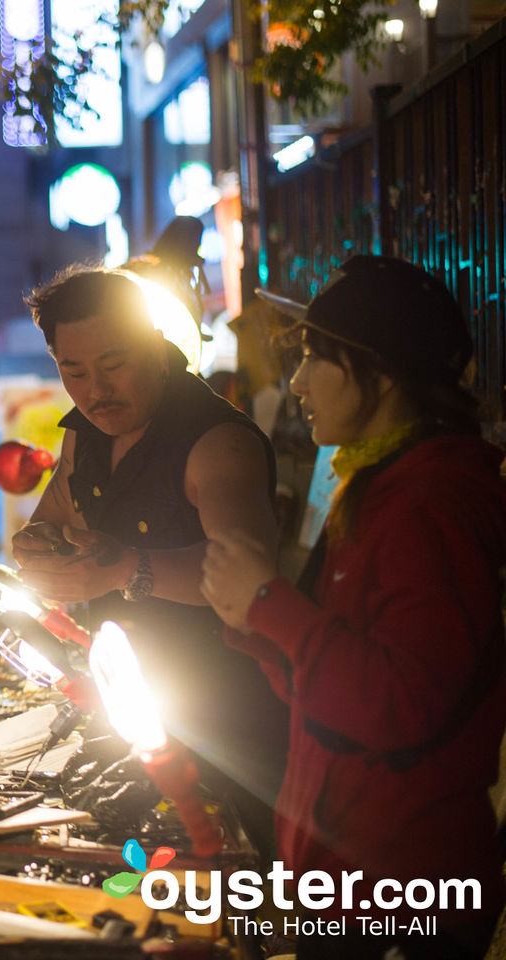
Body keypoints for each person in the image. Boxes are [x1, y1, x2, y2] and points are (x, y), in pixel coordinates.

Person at [201, 257, 506, 959]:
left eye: (315, 359)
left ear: (383, 371)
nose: (298, 383)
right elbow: (331, 698)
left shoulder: (430, 506)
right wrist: (254, 624)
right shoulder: (378, 486)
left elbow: (400, 703)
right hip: (345, 879)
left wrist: (271, 603)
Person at [9, 266, 285, 848]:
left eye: (114, 365)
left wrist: (127, 566)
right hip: (128, 702)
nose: (95, 391)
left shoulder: (217, 443)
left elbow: (250, 580)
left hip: (226, 718)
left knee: (247, 886)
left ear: (158, 349)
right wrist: (38, 551)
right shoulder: (83, 434)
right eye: (73, 371)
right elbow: (50, 519)